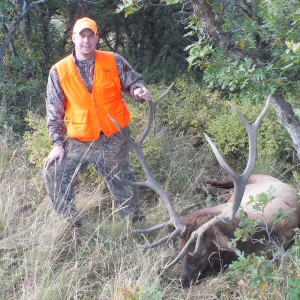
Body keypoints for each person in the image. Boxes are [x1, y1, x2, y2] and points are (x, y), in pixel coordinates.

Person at [44, 17, 152, 228]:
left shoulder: (114, 60)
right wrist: (57, 143)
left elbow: (133, 82)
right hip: (79, 139)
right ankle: (72, 226)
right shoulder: (59, 70)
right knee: (53, 172)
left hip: (114, 137)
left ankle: (135, 229)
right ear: (73, 37)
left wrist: (139, 90)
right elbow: (54, 109)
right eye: (81, 36)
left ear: (97, 38)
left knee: (124, 184)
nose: (86, 40)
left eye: (90, 35)